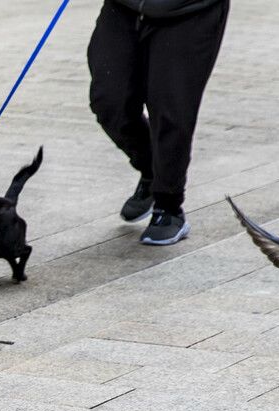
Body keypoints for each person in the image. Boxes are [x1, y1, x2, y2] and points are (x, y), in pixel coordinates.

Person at [87, 0, 230, 247]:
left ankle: (168, 204)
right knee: (110, 100)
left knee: (171, 107)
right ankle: (152, 170)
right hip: (123, 8)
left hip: (188, 11)